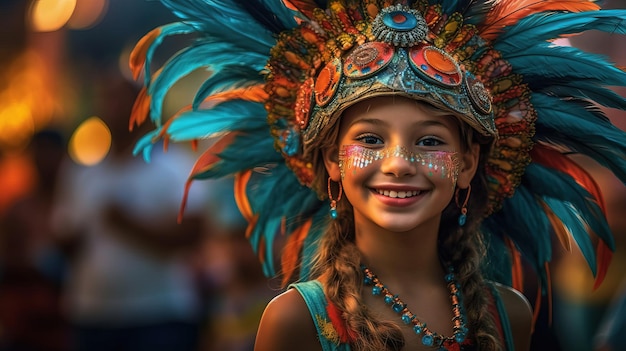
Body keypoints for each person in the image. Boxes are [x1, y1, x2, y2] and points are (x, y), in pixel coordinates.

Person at [128, 1, 626, 350]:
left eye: (430, 140)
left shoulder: (508, 316)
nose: (399, 162)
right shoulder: (297, 323)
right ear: (331, 162)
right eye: (369, 139)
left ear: (468, 163)